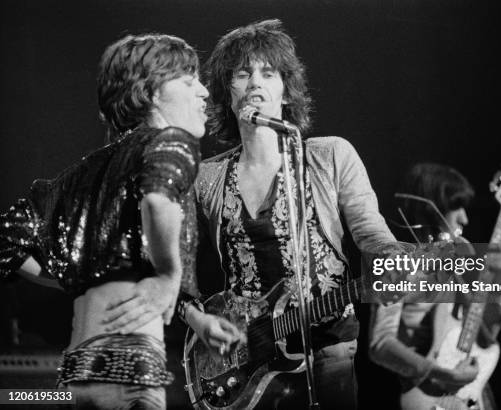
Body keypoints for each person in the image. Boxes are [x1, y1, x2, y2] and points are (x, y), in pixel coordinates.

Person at [106, 19, 398, 409]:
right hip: (243, 359)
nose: (256, 83)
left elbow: (372, 234)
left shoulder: (330, 155)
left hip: (328, 347)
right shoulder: (206, 177)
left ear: (285, 89)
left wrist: (392, 258)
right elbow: (171, 266)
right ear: (227, 92)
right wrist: (196, 320)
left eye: (268, 73)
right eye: (243, 74)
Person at [0, 33, 208, 409]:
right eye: (190, 81)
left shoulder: (77, 176)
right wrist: (168, 276)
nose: (204, 93)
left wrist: (75, 276)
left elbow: (6, 242)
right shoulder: (170, 141)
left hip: (78, 372)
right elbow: (158, 200)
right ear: (153, 92)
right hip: (131, 368)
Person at [369, 163, 501, 410]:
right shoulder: (396, 263)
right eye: (457, 208)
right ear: (431, 210)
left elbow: (483, 331)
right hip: (429, 391)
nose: (465, 218)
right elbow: (380, 344)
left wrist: (499, 281)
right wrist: (442, 374)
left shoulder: (462, 251)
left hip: (471, 389)